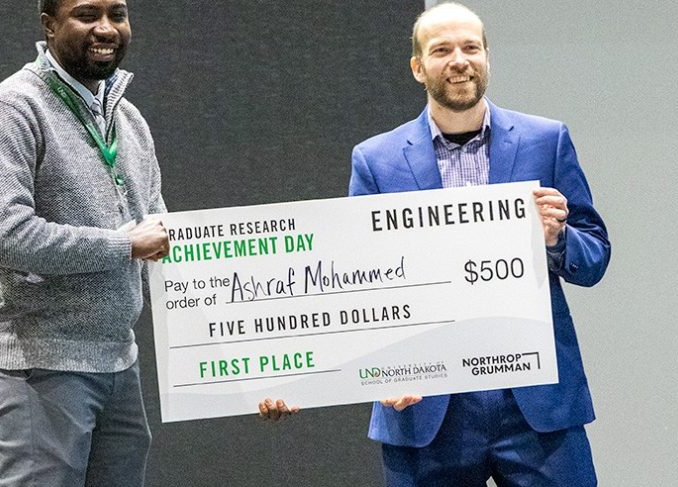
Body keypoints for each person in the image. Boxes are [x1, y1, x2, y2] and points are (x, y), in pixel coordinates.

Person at [261, 3, 610, 486]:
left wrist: (556, 239)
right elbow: (358, 284)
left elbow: (593, 258)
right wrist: (366, 369)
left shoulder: (545, 140)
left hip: (535, 402)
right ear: (418, 67)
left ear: (487, 56)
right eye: (442, 50)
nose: (459, 60)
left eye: (471, 47)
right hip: (426, 405)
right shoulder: (376, 160)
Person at [0, 1, 169, 485]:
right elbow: (3, 233)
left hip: (120, 361)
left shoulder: (129, 120)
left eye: (117, 14)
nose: (106, 28)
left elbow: (157, 227)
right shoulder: (13, 107)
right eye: (87, 14)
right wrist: (124, 246)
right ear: (49, 26)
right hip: (44, 362)